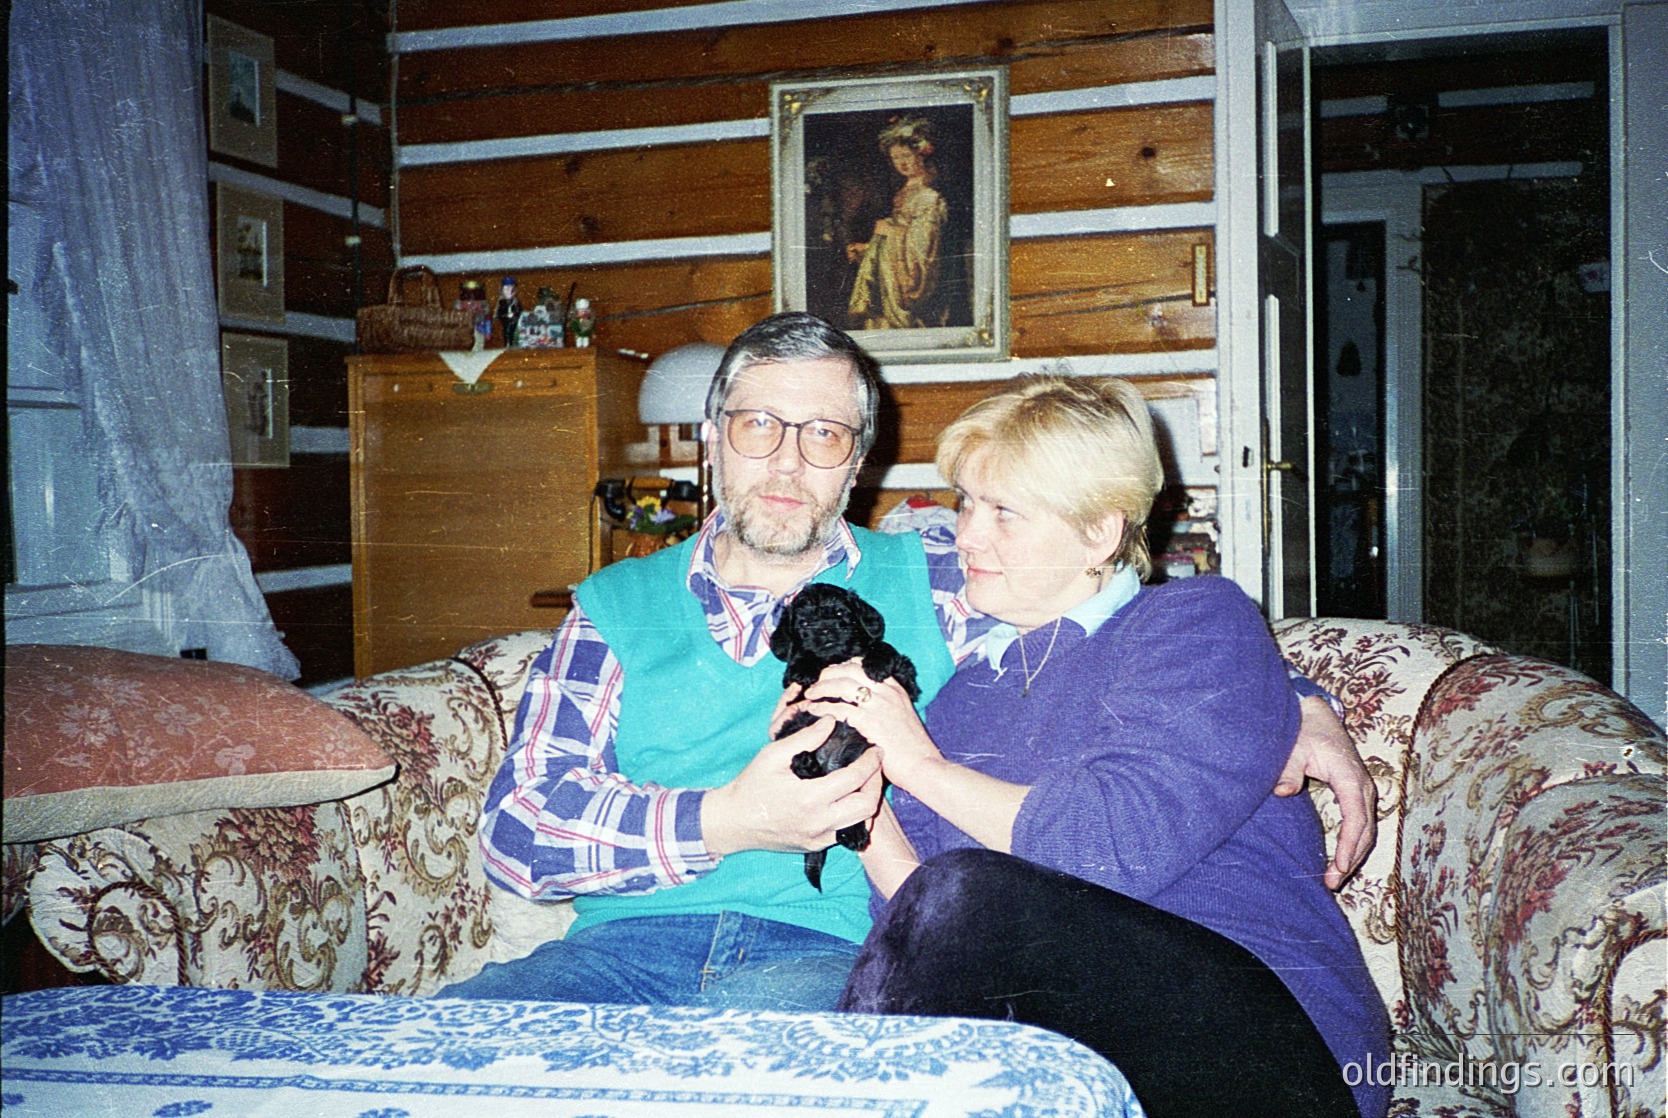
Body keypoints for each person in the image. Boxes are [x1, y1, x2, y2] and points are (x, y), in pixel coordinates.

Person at [444, 311, 1378, 1016]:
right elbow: (518, 833)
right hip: (614, 952)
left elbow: (1107, 624)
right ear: (711, 438)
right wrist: (727, 820)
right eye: (758, 425)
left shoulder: (943, 578)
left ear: (859, 463)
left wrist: (1295, 699)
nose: (787, 462)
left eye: (825, 436)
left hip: (824, 956)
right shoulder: (610, 608)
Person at [796, 375, 1390, 1118]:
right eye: (967, 503)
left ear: (1100, 533)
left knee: (966, 899)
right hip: (1071, 1057)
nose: (967, 535)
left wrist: (916, 764)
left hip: (1270, 1047)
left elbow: (1109, 844)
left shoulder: (1192, 624)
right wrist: (856, 778)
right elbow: (912, 914)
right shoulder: (958, 697)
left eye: (1004, 513)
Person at [847, 116, 948, 330]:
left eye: (906, 156)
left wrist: (889, 230)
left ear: (921, 155)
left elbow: (924, 245)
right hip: (889, 280)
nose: (901, 163)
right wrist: (867, 249)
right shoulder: (903, 193)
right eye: (895, 158)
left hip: (905, 287)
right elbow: (894, 244)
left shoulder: (930, 197)